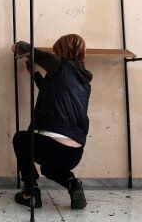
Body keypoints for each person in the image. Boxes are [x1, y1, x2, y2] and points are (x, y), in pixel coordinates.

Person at [11, 34, 92, 209]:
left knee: (20, 139)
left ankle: (30, 191)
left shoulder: (59, 63)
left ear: (61, 50)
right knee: (48, 169)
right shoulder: (84, 81)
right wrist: (35, 74)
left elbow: (26, 48)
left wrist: (18, 46)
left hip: (52, 148)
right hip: (74, 153)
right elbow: (52, 93)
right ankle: (73, 183)